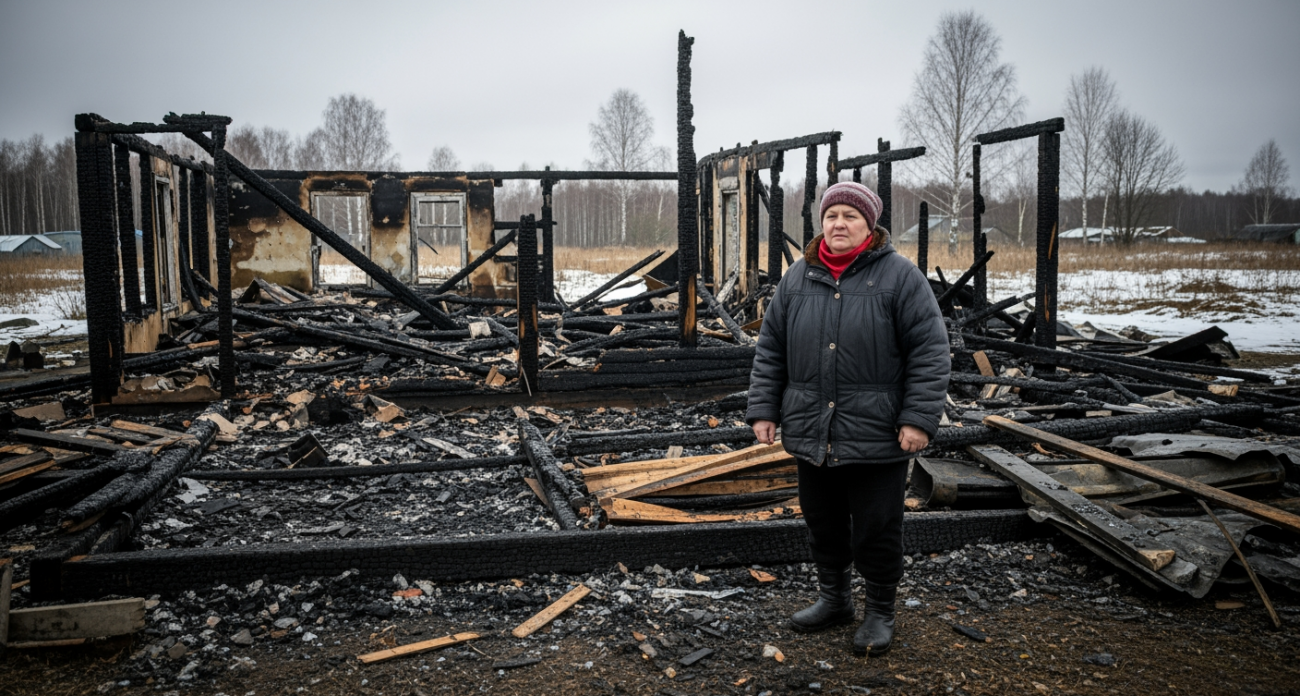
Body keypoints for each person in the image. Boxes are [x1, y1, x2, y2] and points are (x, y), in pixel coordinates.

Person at [746, 181, 949, 656]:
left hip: (878, 435)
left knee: (878, 526)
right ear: (822, 222)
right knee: (823, 520)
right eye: (832, 215)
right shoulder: (798, 278)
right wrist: (763, 409)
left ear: (870, 225)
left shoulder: (900, 277)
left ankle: (880, 611)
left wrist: (918, 419)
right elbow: (771, 350)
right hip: (813, 431)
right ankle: (835, 600)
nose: (839, 224)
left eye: (850, 217)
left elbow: (931, 352)